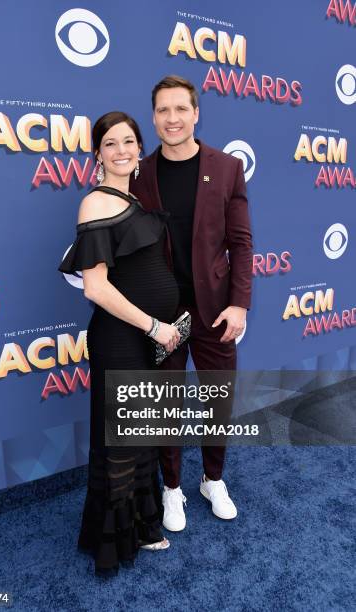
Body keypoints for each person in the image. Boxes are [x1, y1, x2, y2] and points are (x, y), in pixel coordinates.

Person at [59, 111, 181, 576]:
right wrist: (154, 326)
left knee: (140, 433)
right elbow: (95, 288)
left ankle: (143, 526)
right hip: (121, 339)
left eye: (129, 141)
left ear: (139, 150)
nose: (122, 150)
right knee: (120, 442)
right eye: (111, 143)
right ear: (97, 155)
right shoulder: (94, 204)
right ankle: (113, 544)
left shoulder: (132, 197)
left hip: (148, 337)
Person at [131, 75, 253, 532]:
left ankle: (213, 480)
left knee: (217, 399)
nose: (172, 118)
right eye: (163, 110)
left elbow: (241, 242)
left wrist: (239, 304)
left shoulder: (226, 167)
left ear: (196, 113)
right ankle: (172, 489)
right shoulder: (140, 173)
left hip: (216, 312)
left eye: (181, 108)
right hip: (163, 315)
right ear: (154, 116)